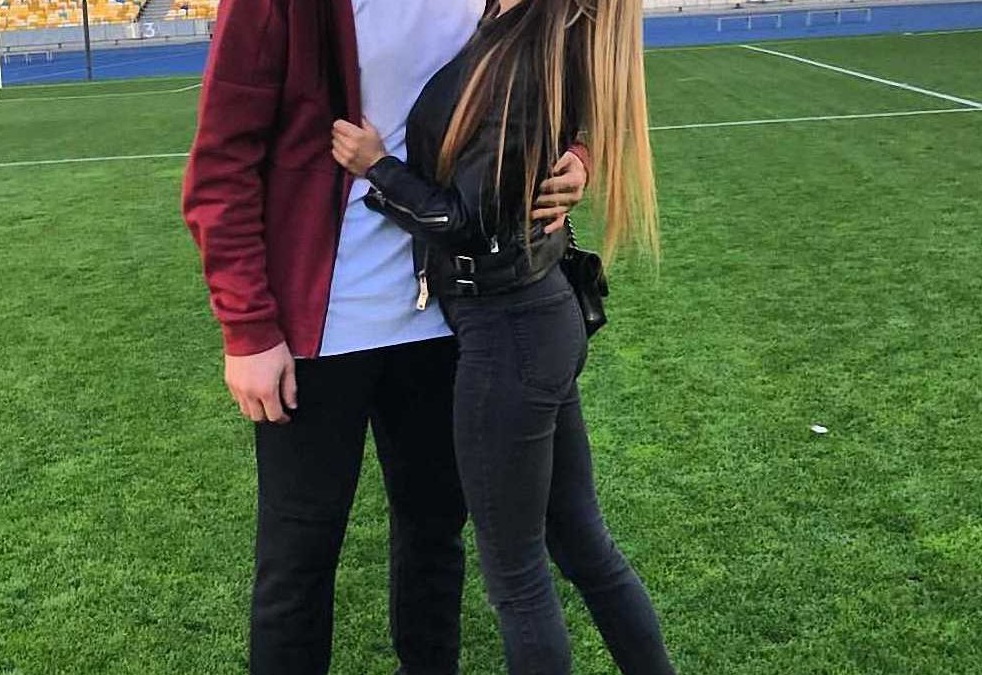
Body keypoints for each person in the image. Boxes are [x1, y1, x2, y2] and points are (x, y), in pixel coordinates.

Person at [181, 1, 590, 673]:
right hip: (321, 326)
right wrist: (248, 328)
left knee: (434, 535)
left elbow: (546, 80)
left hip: (450, 317)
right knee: (298, 556)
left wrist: (575, 155)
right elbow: (220, 164)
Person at [331, 0, 675, 673]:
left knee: (517, 578)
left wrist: (377, 168)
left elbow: (468, 223)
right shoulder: (520, 25)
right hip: (535, 320)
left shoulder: (531, 47)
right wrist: (581, 153)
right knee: (583, 545)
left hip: (509, 332)